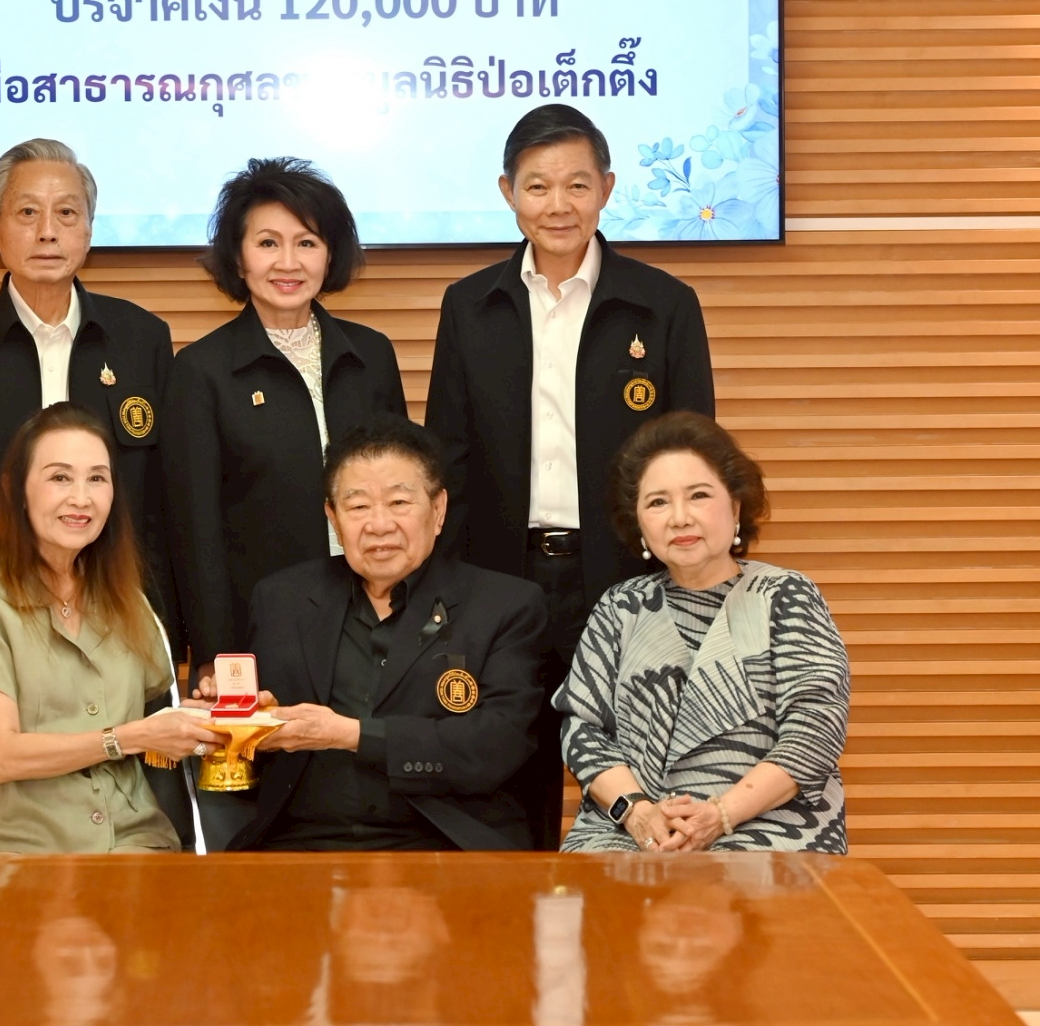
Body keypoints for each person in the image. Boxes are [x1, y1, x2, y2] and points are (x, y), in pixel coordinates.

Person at [425, 103, 716, 848]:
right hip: (501, 581)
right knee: (505, 778)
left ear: (607, 189)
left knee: (636, 770)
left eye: (577, 184)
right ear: (508, 192)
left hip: (627, 580)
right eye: (538, 186)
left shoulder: (664, 305)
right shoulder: (470, 306)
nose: (559, 205)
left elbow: (694, 457)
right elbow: (448, 459)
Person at [225, 414, 548, 852]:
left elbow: (494, 746)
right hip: (301, 844)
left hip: (443, 844)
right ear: (333, 518)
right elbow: (262, 728)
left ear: (438, 510)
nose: (379, 525)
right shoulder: (281, 599)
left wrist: (350, 734)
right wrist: (230, 714)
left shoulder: (505, 605)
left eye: (399, 502)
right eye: (358, 507)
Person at [0, 138, 178, 635]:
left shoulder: (143, 339)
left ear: (89, 230)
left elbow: (162, 500)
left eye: (66, 213)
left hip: (118, 608)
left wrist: (165, 628)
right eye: (27, 212)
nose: (47, 231)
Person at [0, 402, 223, 852]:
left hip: (134, 841)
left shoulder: (129, 602)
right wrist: (124, 739)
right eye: (60, 478)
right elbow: (3, 756)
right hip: (18, 847)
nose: (81, 498)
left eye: (97, 479)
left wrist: (217, 714)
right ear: (15, 490)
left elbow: (155, 722)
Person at [557, 411, 849, 854]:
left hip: (769, 829)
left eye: (698, 496)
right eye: (658, 502)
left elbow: (816, 726)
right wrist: (638, 811)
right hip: (631, 832)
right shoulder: (621, 606)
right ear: (638, 522)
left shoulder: (785, 595)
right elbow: (582, 730)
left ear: (735, 507)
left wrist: (720, 815)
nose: (679, 518)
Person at [165, 156, 406, 676]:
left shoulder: (372, 355)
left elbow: (406, 493)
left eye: (307, 243)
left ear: (330, 254)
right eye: (268, 243)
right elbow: (196, 531)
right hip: (264, 626)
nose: (288, 262)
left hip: (380, 614)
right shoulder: (201, 370)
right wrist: (213, 653)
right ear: (238, 257)